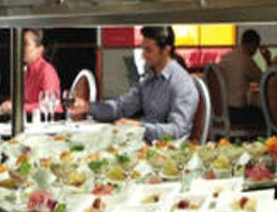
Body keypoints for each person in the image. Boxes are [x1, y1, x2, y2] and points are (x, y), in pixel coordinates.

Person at [69, 26, 198, 142]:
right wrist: (87, 107)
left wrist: (140, 127)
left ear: (166, 50)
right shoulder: (149, 78)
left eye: (148, 50)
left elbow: (177, 130)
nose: (143, 55)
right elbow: (121, 107)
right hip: (143, 145)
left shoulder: (182, 83)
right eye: (143, 49)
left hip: (168, 151)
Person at [0, 28, 62, 115]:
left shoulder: (46, 71)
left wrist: (17, 107)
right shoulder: (25, 71)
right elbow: (22, 100)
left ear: (40, 49)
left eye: (25, 44)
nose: (20, 48)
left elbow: (51, 106)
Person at [218, 27, 266, 128]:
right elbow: (264, 80)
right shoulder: (246, 60)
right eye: (256, 48)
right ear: (252, 45)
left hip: (221, 110)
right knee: (266, 115)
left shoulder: (226, 58)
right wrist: (267, 60)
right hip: (237, 112)